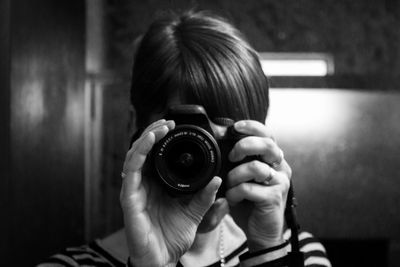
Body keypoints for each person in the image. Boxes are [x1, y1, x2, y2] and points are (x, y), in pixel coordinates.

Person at [38, 10, 331, 267]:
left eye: (223, 142)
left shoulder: (300, 255)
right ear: (134, 128)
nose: (206, 167)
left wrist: (268, 253)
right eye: (186, 143)